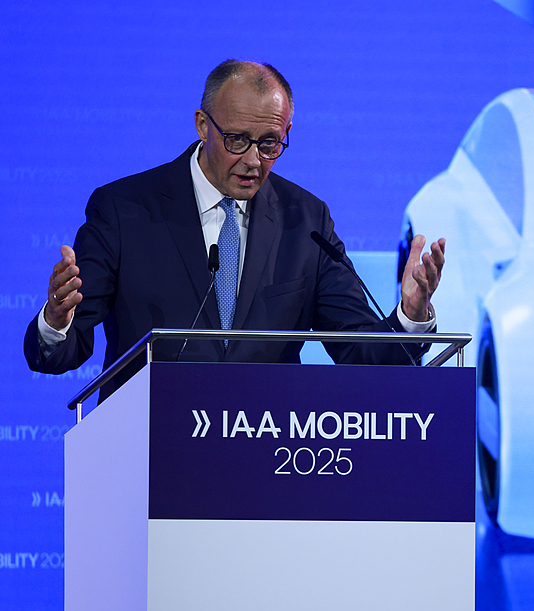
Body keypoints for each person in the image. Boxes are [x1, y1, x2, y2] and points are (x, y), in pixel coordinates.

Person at [24, 60, 445, 400]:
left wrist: (410, 316)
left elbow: (362, 354)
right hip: (147, 452)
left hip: (268, 457)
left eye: (270, 143)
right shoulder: (124, 210)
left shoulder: (305, 220)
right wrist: (56, 321)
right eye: (238, 140)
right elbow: (62, 352)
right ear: (202, 125)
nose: (254, 161)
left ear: (287, 133)